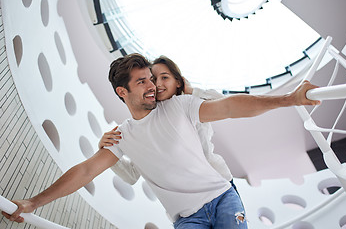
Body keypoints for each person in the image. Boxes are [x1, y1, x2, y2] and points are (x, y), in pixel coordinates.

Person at [2, 53, 320, 229]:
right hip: (186, 219)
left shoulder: (179, 106)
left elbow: (229, 107)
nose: (152, 86)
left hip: (222, 197)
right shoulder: (122, 135)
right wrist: (32, 203)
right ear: (122, 92)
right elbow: (86, 172)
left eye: (153, 79)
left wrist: (289, 99)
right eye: (142, 82)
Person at [100, 56, 236, 193]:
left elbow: (227, 105)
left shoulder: (192, 104)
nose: (157, 84)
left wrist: (191, 90)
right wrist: (107, 147)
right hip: (189, 198)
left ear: (178, 81)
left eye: (164, 77)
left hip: (220, 182)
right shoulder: (150, 124)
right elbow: (131, 175)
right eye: (153, 79)